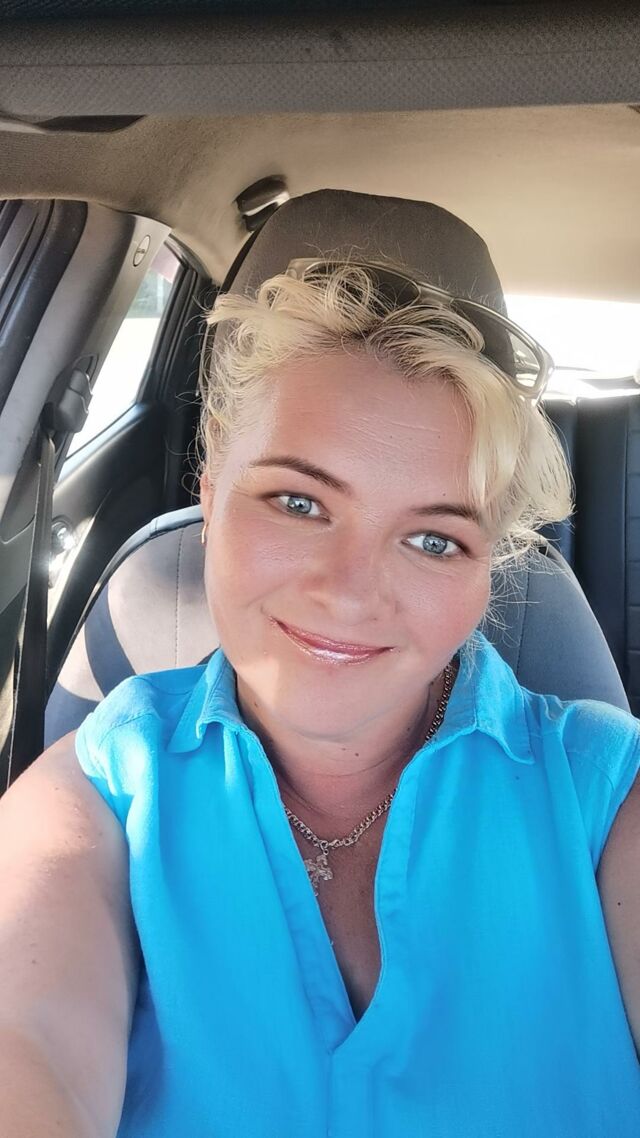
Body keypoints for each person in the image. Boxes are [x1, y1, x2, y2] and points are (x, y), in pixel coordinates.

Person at [1, 257, 639, 1138]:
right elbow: (26, 1039)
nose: (348, 592)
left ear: (487, 569)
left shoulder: (606, 790)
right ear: (211, 490)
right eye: (298, 502)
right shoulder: (104, 784)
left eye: (433, 539)